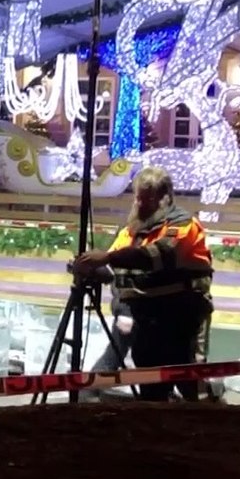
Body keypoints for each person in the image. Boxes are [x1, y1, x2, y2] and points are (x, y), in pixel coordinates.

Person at [73, 167, 214, 402]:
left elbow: (158, 256)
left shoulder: (183, 224)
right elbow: (117, 266)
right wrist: (92, 267)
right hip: (145, 316)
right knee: (149, 379)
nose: (139, 202)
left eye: (147, 197)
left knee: (188, 379)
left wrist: (107, 258)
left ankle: (214, 419)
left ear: (164, 197)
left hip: (181, 315)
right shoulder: (132, 228)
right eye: (137, 196)